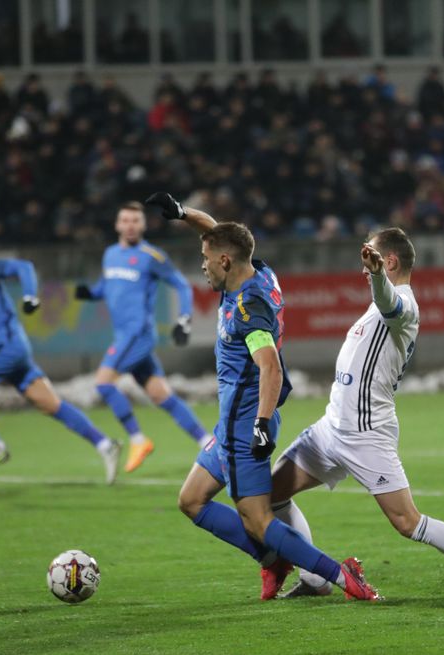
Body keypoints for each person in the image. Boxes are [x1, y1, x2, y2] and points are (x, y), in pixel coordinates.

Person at [264, 228, 444, 598]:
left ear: (390, 261)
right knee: (270, 495)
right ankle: (315, 579)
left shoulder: (404, 305)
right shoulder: (377, 303)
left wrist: (378, 277)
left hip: (367, 434)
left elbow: (390, 304)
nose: (362, 267)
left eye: (370, 259)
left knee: (407, 522)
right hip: (330, 428)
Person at [150, 191, 380, 602]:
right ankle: (273, 561)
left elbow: (269, 365)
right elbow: (221, 235)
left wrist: (259, 424)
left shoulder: (248, 307)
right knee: (191, 500)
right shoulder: (254, 271)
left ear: (224, 262)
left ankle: (340, 575)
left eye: (205, 260)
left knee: (257, 519)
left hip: (246, 421)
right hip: (232, 421)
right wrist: (183, 214)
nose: (201, 266)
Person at [0, 222, 122, 483]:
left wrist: (31, 296)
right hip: (9, 348)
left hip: (7, 345)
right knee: (50, 404)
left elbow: (24, 267)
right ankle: (105, 444)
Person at [75, 202, 210, 473]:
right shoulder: (111, 254)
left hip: (138, 335)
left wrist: (184, 319)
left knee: (103, 384)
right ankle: (208, 441)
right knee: (162, 395)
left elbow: (182, 285)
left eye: (135, 221)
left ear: (143, 225)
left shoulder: (152, 256)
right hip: (124, 335)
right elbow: (108, 287)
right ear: (117, 225)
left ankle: (138, 439)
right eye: (125, 220)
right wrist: (91, 293)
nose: (130, 225)